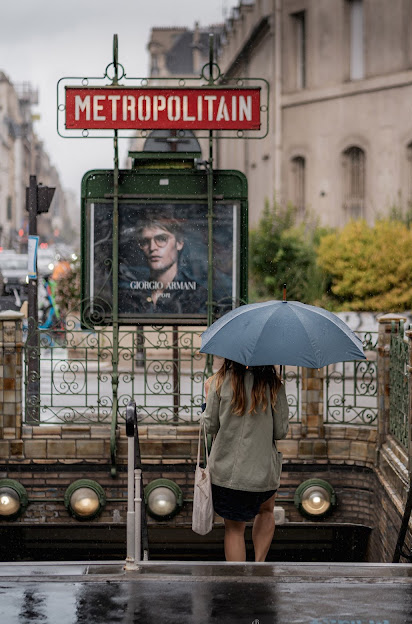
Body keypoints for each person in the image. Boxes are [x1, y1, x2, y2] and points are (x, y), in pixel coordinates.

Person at [200, 359, 289, 562]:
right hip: (263, 471)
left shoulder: (218, 382)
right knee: (266, 512)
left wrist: (206, 401)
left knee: (234, 530)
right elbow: (281, 431)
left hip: (227, 472)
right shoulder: (274, 385)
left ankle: (239, 581)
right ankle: (259, 565)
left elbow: (210, 426)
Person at [121, 213, 207, 315]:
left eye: (162, 239)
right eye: (145, 241)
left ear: (179, 243)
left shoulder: (197, 295)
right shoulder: (133, 292)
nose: (152, 247)